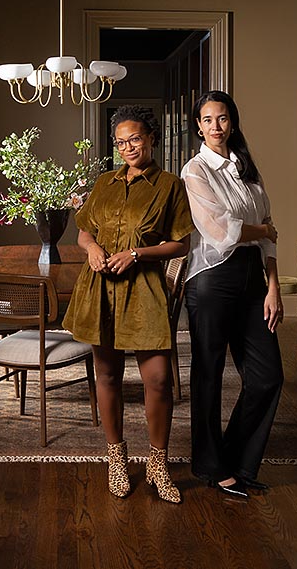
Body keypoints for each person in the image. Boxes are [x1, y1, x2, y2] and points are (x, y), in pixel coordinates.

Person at [63, 105, 193, 503]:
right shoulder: (103, 182)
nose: (128, 147)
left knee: (157, 380)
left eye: (135, 139)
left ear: (151, 137)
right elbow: (84, 231)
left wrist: (137, 253)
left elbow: (181, 243)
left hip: (145, 289)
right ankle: (115, 458)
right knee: (107, 376)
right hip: (100, 288)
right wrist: (92, 249)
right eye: (121, 142)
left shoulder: (170, 185)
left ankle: (158, 463)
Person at [180, 90, 283, 499]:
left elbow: (270, 228)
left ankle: (238, 461)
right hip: (211, 280)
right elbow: (221, 231)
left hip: (253, 280)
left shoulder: (247, 169)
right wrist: (261, 231)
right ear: (199, 127)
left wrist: (273, 287)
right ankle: (210, 466)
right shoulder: (196, 171)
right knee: (208, 375)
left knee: (267, 377)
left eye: (222, 118)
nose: (216, 126)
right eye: (207, 120)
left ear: (233, 122)